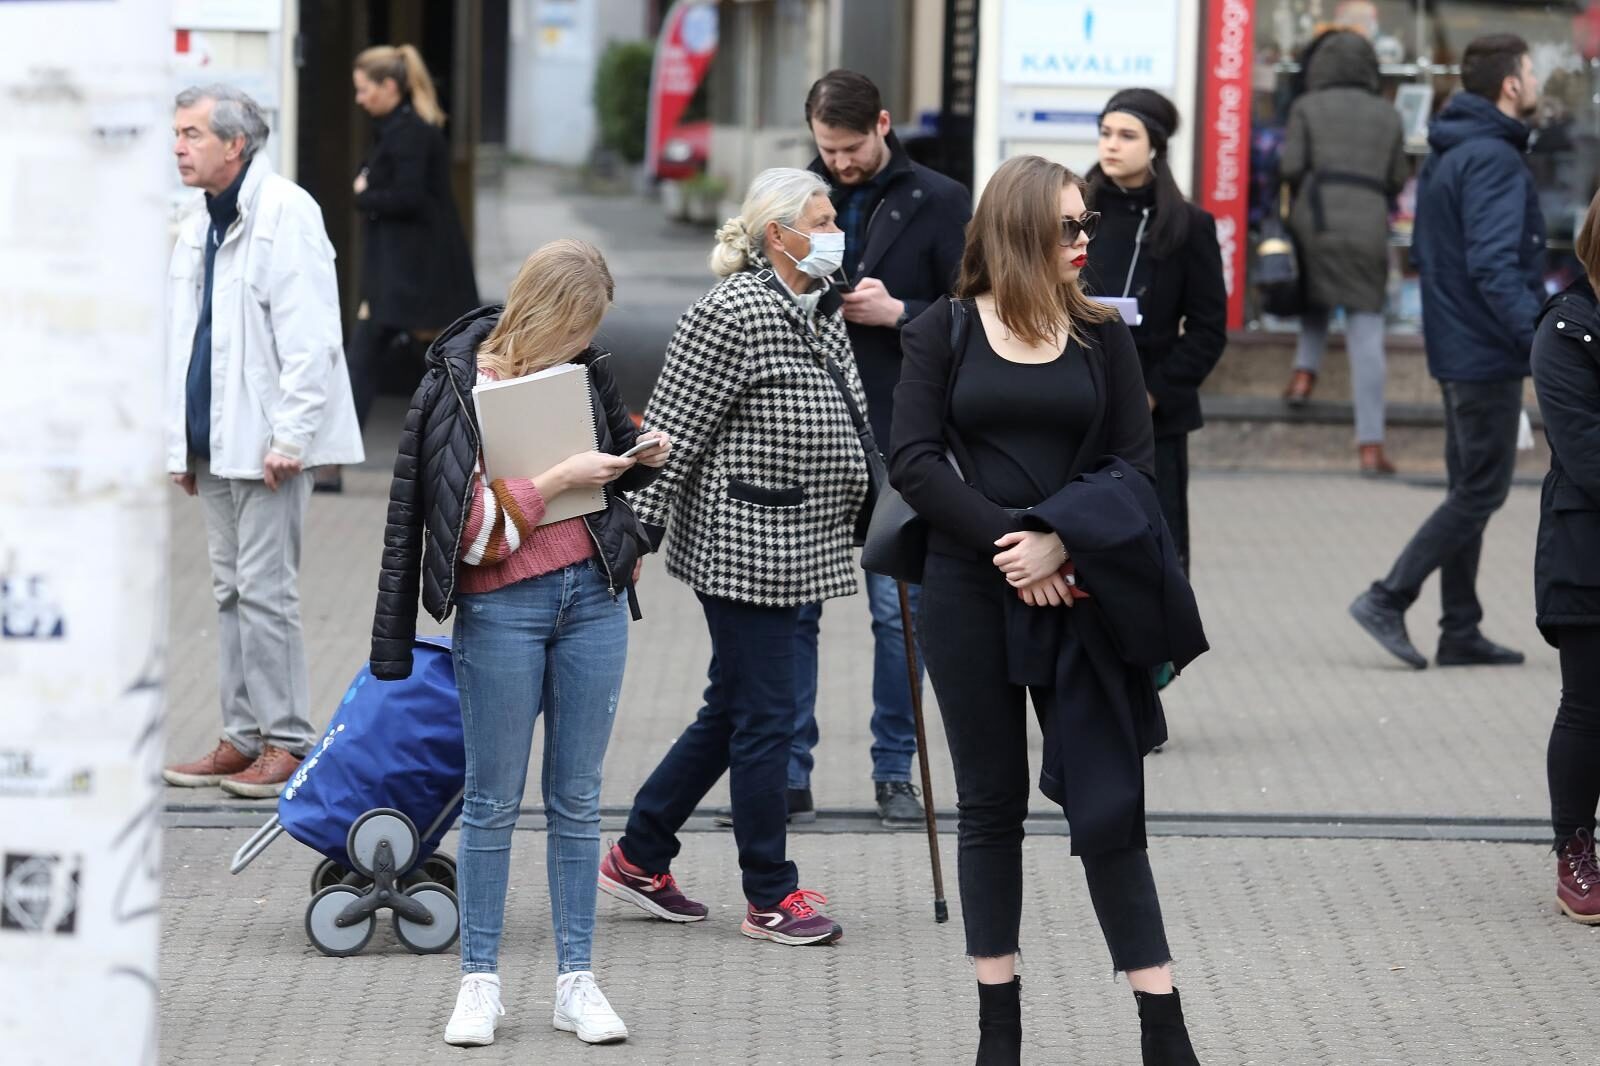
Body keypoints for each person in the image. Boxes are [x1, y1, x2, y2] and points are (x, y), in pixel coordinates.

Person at [890, 154, 1205, 1065]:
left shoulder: (1102, 332)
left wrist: (1057, 542)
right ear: (1019, 230)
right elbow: (911, 461)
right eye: (1068, 226)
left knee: (1108, 799)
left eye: (1088, 226)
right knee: (989, 804)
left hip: (1079, 593)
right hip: (968, 592)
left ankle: (1164, 1029)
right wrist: (1011, 550)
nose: (1082, 241)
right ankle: (1000, 1032)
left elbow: (1134, 469)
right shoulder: (942, 330)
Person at [368, 239, 669, 1047]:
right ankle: (480, 982)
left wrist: (629, 470)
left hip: (594, 601)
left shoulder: (581, 378)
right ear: (546, 313)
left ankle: (577, 980)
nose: (584, 345)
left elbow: (595, 495)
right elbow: (472, 537)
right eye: (577, 328)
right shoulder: (459, 389)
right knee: (494, 801)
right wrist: (563, 476)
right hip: (502, 608)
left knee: (577, 801)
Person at [597, 168, 870, 948]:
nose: (832, 230)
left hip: (806, 541)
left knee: (735, 708)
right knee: (769, 719)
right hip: (746, 547)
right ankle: (769, 895)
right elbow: (671, 432)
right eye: (819, 220)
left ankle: (640, 854)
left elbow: (845, 405)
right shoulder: (729, 313)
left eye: (833, 216)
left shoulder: (819, 303)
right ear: (776, 236)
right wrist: (632, 535)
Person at [161, 85, 364, 799]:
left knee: (266, 593)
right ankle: (240, 736)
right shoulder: (198, 221)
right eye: (177, 133)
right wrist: (178, 446)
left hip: (269, 445)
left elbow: (313, 340)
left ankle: (286, 740)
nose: (179, 146)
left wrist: (293, 436)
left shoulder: (287, 213)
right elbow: (186, 344)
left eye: (192, 134)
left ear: (235, 144)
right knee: (229, 592)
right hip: (213, 444)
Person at [785, 69, 970, 827]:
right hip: (802, 431)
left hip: (898, 433)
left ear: (884, 124)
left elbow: (975, 313)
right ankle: (786, 771)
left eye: (852, 148)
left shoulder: (943, 199)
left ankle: (895, 771)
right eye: (827, 149)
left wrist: (901, 312)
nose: (840, 163)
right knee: (792, 608)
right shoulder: (789, 197)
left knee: (901, 615)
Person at [1349, 34, 1543, 669]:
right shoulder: (1491, 157)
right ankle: (1388, 596)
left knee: (1470, 486)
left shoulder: (1454, 148)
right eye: (1532, 71)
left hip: (1458, 343)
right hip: (1484, 349)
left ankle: (1461, 627)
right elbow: (1493, 265)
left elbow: (1440, 256)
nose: (1536, 81)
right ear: (1511, 84)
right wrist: (1539, 337)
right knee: (1481, 492)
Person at [322, 43, 478, 492]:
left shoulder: (408, 133)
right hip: (407, 273)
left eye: (364, 88)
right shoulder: (404, 129)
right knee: (433, 365)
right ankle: (457, 463)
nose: (359, 98)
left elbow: (408, 197)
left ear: (390, 86)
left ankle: (334, 463)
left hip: (411, 275)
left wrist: (364, 193)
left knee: (379, 359)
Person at [1085, 87, 1227, 576]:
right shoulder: (1070, 213)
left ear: (1155, 147)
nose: (1111, 145)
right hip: (1074, 399)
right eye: (1105, 133)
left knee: (1155, 548)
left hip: (1153, 414)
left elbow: (1209, 329)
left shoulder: (1188, 225)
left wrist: (1153, 392)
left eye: (1127, 135)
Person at [1278, 29, 1409, 476]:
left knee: (1313, 296)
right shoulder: (1388, 115)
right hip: (1369, 225)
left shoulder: (1307, 107)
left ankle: (1302, 376)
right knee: (1365, 329)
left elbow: (1291, 166)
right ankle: (1370, 444)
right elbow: (1396, 177)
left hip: (1315, 218)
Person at [1531, 191, 1600, 925]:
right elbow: (1584, 452)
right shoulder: (1567, 329)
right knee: (1589, 705)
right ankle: (1575, 848)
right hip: (1588, 548)